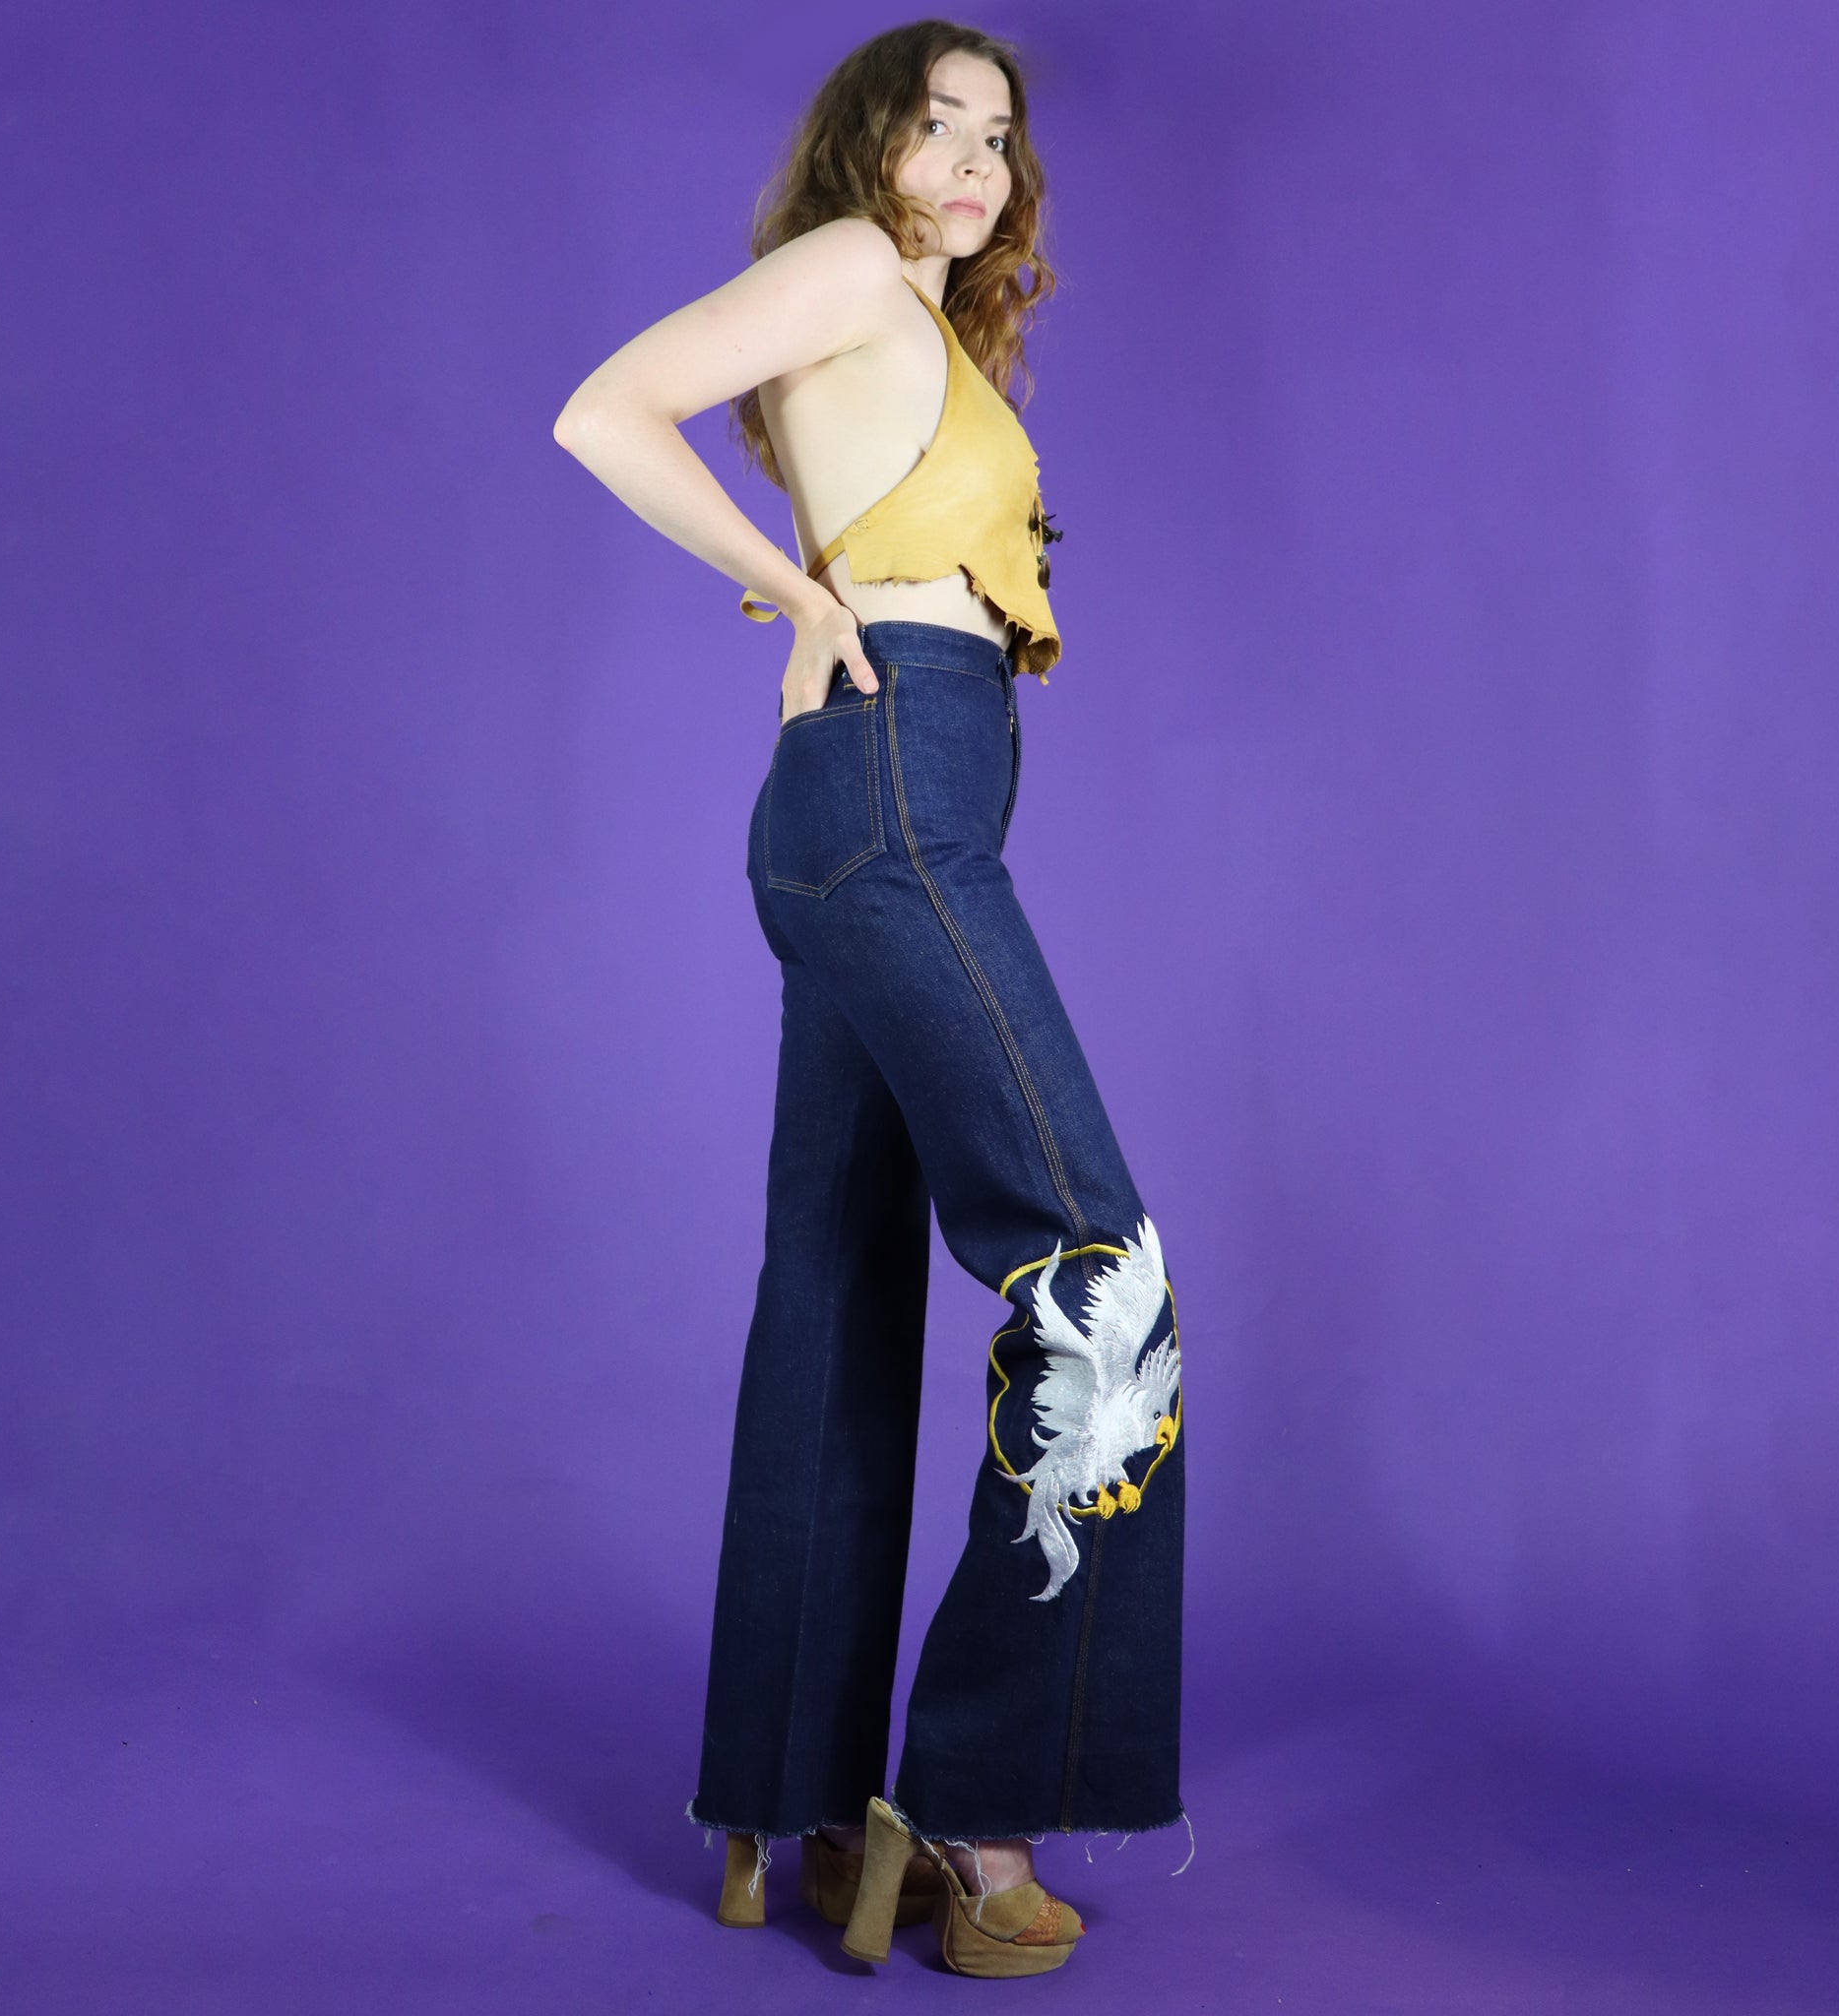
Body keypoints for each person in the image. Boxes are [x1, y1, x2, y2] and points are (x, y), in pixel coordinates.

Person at [553, 20, 1185, 1979]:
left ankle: (793, 1806)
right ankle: (973, 1806)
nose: (981, 158)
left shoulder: (921, 323)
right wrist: (803, 593)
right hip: (892, 783)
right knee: (1099, 1280)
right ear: (868, 140)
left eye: (1003, 133)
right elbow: (607, 411)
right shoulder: (841, 262)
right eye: (941, 122)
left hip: (891, 795)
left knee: (833, 1293)